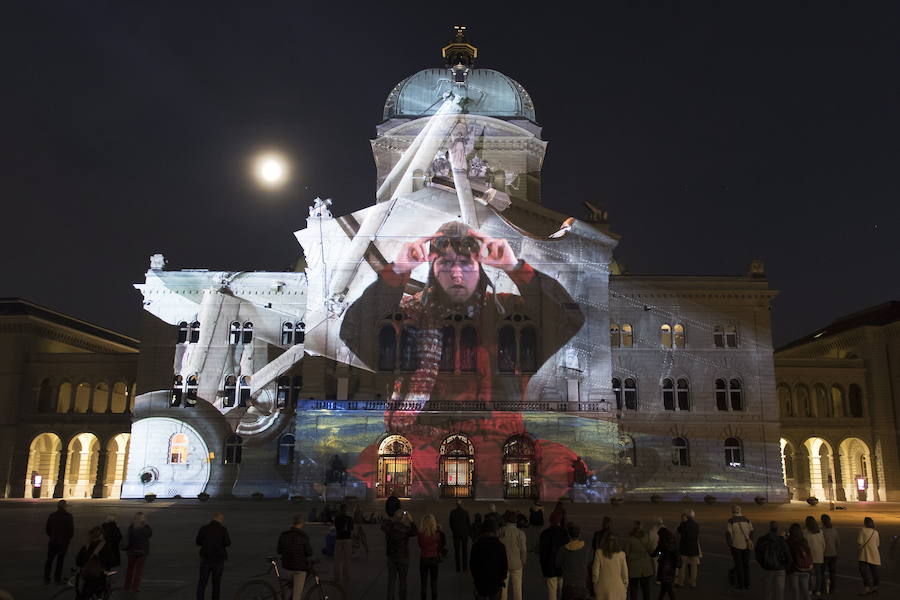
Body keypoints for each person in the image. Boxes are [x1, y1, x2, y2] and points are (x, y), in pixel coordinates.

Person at [382, 507, 418, 600]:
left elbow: (383, 525)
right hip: (403, 557)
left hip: (392, 557)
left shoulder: (389, 527)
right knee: (402, 581)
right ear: (403, 518)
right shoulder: (405, 529)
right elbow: (415, 531)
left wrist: (391, 518)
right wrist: (411, 520)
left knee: (391, 581)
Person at [195, 512, 231, 600]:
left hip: (206, 559)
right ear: (220, 520)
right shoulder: (223, 530)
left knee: (202, 583)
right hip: (218, 560)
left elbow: (198, 542)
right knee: (216, 584)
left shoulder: (204, 528)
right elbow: (227, 543)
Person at [277, 514, 313, 600]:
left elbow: (278, 551)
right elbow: (309, 553)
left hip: (286, 566)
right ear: (301, 524)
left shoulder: (284, 535)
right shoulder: (303, 536)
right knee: (297, 595)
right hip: (299, 568)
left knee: (288, 588)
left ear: (292, 523)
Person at [471, 519, 508, 600]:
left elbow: (473, 566)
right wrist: (502, 577)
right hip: (495, 584)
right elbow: (504, 565)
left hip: (480, 583)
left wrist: (476, 580)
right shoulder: (500, 546)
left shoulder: (476, 546)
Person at [754, 521, 791, 600]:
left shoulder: (762, 540)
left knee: (767, 590)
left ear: (769, 528)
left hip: (768, 568)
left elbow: (758, 554)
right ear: (777, 529)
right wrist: (786, 566)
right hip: (780, 568)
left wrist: (763, 564)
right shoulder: (781, 540)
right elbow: (788, 555)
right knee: (780, 591)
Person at [557, 522, 591, 600]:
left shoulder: (563, 549)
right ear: (579, 534)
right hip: (581, 584)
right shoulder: (586, 548)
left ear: (568, 535)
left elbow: (557, 563)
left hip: (568, 584)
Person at [539, 513, 568, 600]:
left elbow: (542, 553)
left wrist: (544, 569)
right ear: (559, 521)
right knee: (563, 591)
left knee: (552, 592)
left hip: (550, 566)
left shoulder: (545, 534)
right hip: (563, 567)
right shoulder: (565, 533)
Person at [44, 499, 74, 585]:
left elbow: (48, 529)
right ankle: (57, 578)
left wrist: (52, 536)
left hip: (53, 541)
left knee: (49, 560)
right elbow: (71, 531)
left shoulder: (52, 515)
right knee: (60, 561)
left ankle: (47, 577)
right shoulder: (68, 516)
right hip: (63, 542)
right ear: (65, 507)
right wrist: (68, 539)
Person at [499, 511, 527, 600]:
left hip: (503, 563)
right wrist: (523, 561)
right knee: (517, 588)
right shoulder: (520, 533)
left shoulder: (500, 531)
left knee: (503, 588)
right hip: (517, 563)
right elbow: (523, 550)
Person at [725, 505, 753, 591]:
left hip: (736, 546)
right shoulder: (747, 520)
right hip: (746, 546)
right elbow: (752, 531)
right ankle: (747, 584)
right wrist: (749, 541)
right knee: (746, 565)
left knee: (739, 565)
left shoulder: (731, 521)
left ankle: (740, 584)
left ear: (732, 511)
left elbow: (728, 534)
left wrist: (730, 545)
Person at [592, 533, 628, 600]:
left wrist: (595, 586)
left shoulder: (598, 553)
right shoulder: (622, 555)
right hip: (618, 588)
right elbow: (625, 574)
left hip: (602, 588)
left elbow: (595, 572)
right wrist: (624, 587)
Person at [75, 526, 107, 600]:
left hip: (86, 575)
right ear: (101, 535)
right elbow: (111, 560)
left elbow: (78, 561)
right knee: (98, 592)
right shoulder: (104, 546)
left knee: (84, 594)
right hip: (98, 576)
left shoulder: (86, 546)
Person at [624, 521, 654, 600]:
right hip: (645, 568)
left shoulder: (630, 538)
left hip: (634, 568)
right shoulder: (646, 536)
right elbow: (651, 550)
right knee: (646, 591)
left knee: (634, 591)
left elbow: (626, 553)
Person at [124, 512, 152, 592]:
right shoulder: (145, 528)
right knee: (138, 571)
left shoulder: (131, 527)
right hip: (141, 552)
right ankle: (135, 587)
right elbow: (150, 534)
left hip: (131, 551)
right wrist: (146, 524)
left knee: (130, 569)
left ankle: (127, 586)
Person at [418, 514, 443, 600]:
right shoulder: (437, 534)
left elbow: (420, 545)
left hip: (424, 558)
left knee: (423, 582)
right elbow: (440, 545)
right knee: (434, 582)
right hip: (434, 559)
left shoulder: (421, 534)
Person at [786, 523, 813, 600]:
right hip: (805, 568)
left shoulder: (789, 542)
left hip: (794, 570)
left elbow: (787, 555)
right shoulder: (804, 541)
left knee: (795, 593)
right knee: (805, 592)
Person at [674, 510, 700, 589]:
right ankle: (692, 583)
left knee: (682, 567)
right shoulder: (696, 525)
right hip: (694, 549)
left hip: (684, 548)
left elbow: (677, 534)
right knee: (694, 568)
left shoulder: (683, 525)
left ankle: (680, 582)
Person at [653, 527, 679, 600]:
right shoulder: (672, 539)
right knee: (665, 586)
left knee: (667, 586)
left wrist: (655, 554)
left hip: (664, 566)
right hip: (671, 566)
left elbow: (658, 551)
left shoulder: (663, 541)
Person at [802, 516, 825, 598]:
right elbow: (823, 543)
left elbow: (804, 544)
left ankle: (809, 589)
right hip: (819, 555)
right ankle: (818, 590)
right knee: (818, 574)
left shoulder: (805, 532)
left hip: (810, 555)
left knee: (809, 574)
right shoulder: (820, 532)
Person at [857, 517, 880, 596]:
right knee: (874, 572)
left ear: (865, 523)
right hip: (874, 554)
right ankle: (875, 588)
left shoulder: (862, 530)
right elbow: (877, 544)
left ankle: (867, 588)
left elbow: (859, 541)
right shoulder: (875, 532)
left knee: (864, 572)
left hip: (864, 554)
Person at [449, 499, 471, 572]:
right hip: (464, 533)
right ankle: (465, 568)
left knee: (457, 551)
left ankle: (458, 568)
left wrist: (454, 530)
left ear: (456, 504)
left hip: (456, 533)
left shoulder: (452, 512)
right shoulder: (465, 512)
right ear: (461, 504)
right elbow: (468, 523)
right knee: (464, 551)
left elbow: (451, 523)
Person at [333, 503, 353, 583]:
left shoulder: (337, 518)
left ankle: (337, 576)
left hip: (339, 538)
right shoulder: (349, 518)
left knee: (337, 559)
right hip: (347, 538)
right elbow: (351, 529)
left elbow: (336, 528)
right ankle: (346, 576)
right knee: (347, 559)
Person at [819, 514, 838, 595]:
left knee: (822, 573)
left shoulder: (822, 531)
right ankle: (832, 589)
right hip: (833, 554)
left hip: (824, 554)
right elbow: (838, 542)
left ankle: (822, 589)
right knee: (832, 573)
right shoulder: (834, 530)